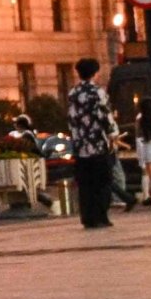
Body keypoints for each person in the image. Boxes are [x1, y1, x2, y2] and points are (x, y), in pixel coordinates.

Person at [62, 58, 119, 230]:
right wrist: (112, 134)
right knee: (103, 181)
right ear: (95, 73)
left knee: (85, 184)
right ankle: (101, 215)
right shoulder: (97, 92)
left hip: (80, 146)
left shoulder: (73, 93)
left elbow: (71, 119)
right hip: (97, 144)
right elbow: (104, 115)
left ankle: (88, 217)